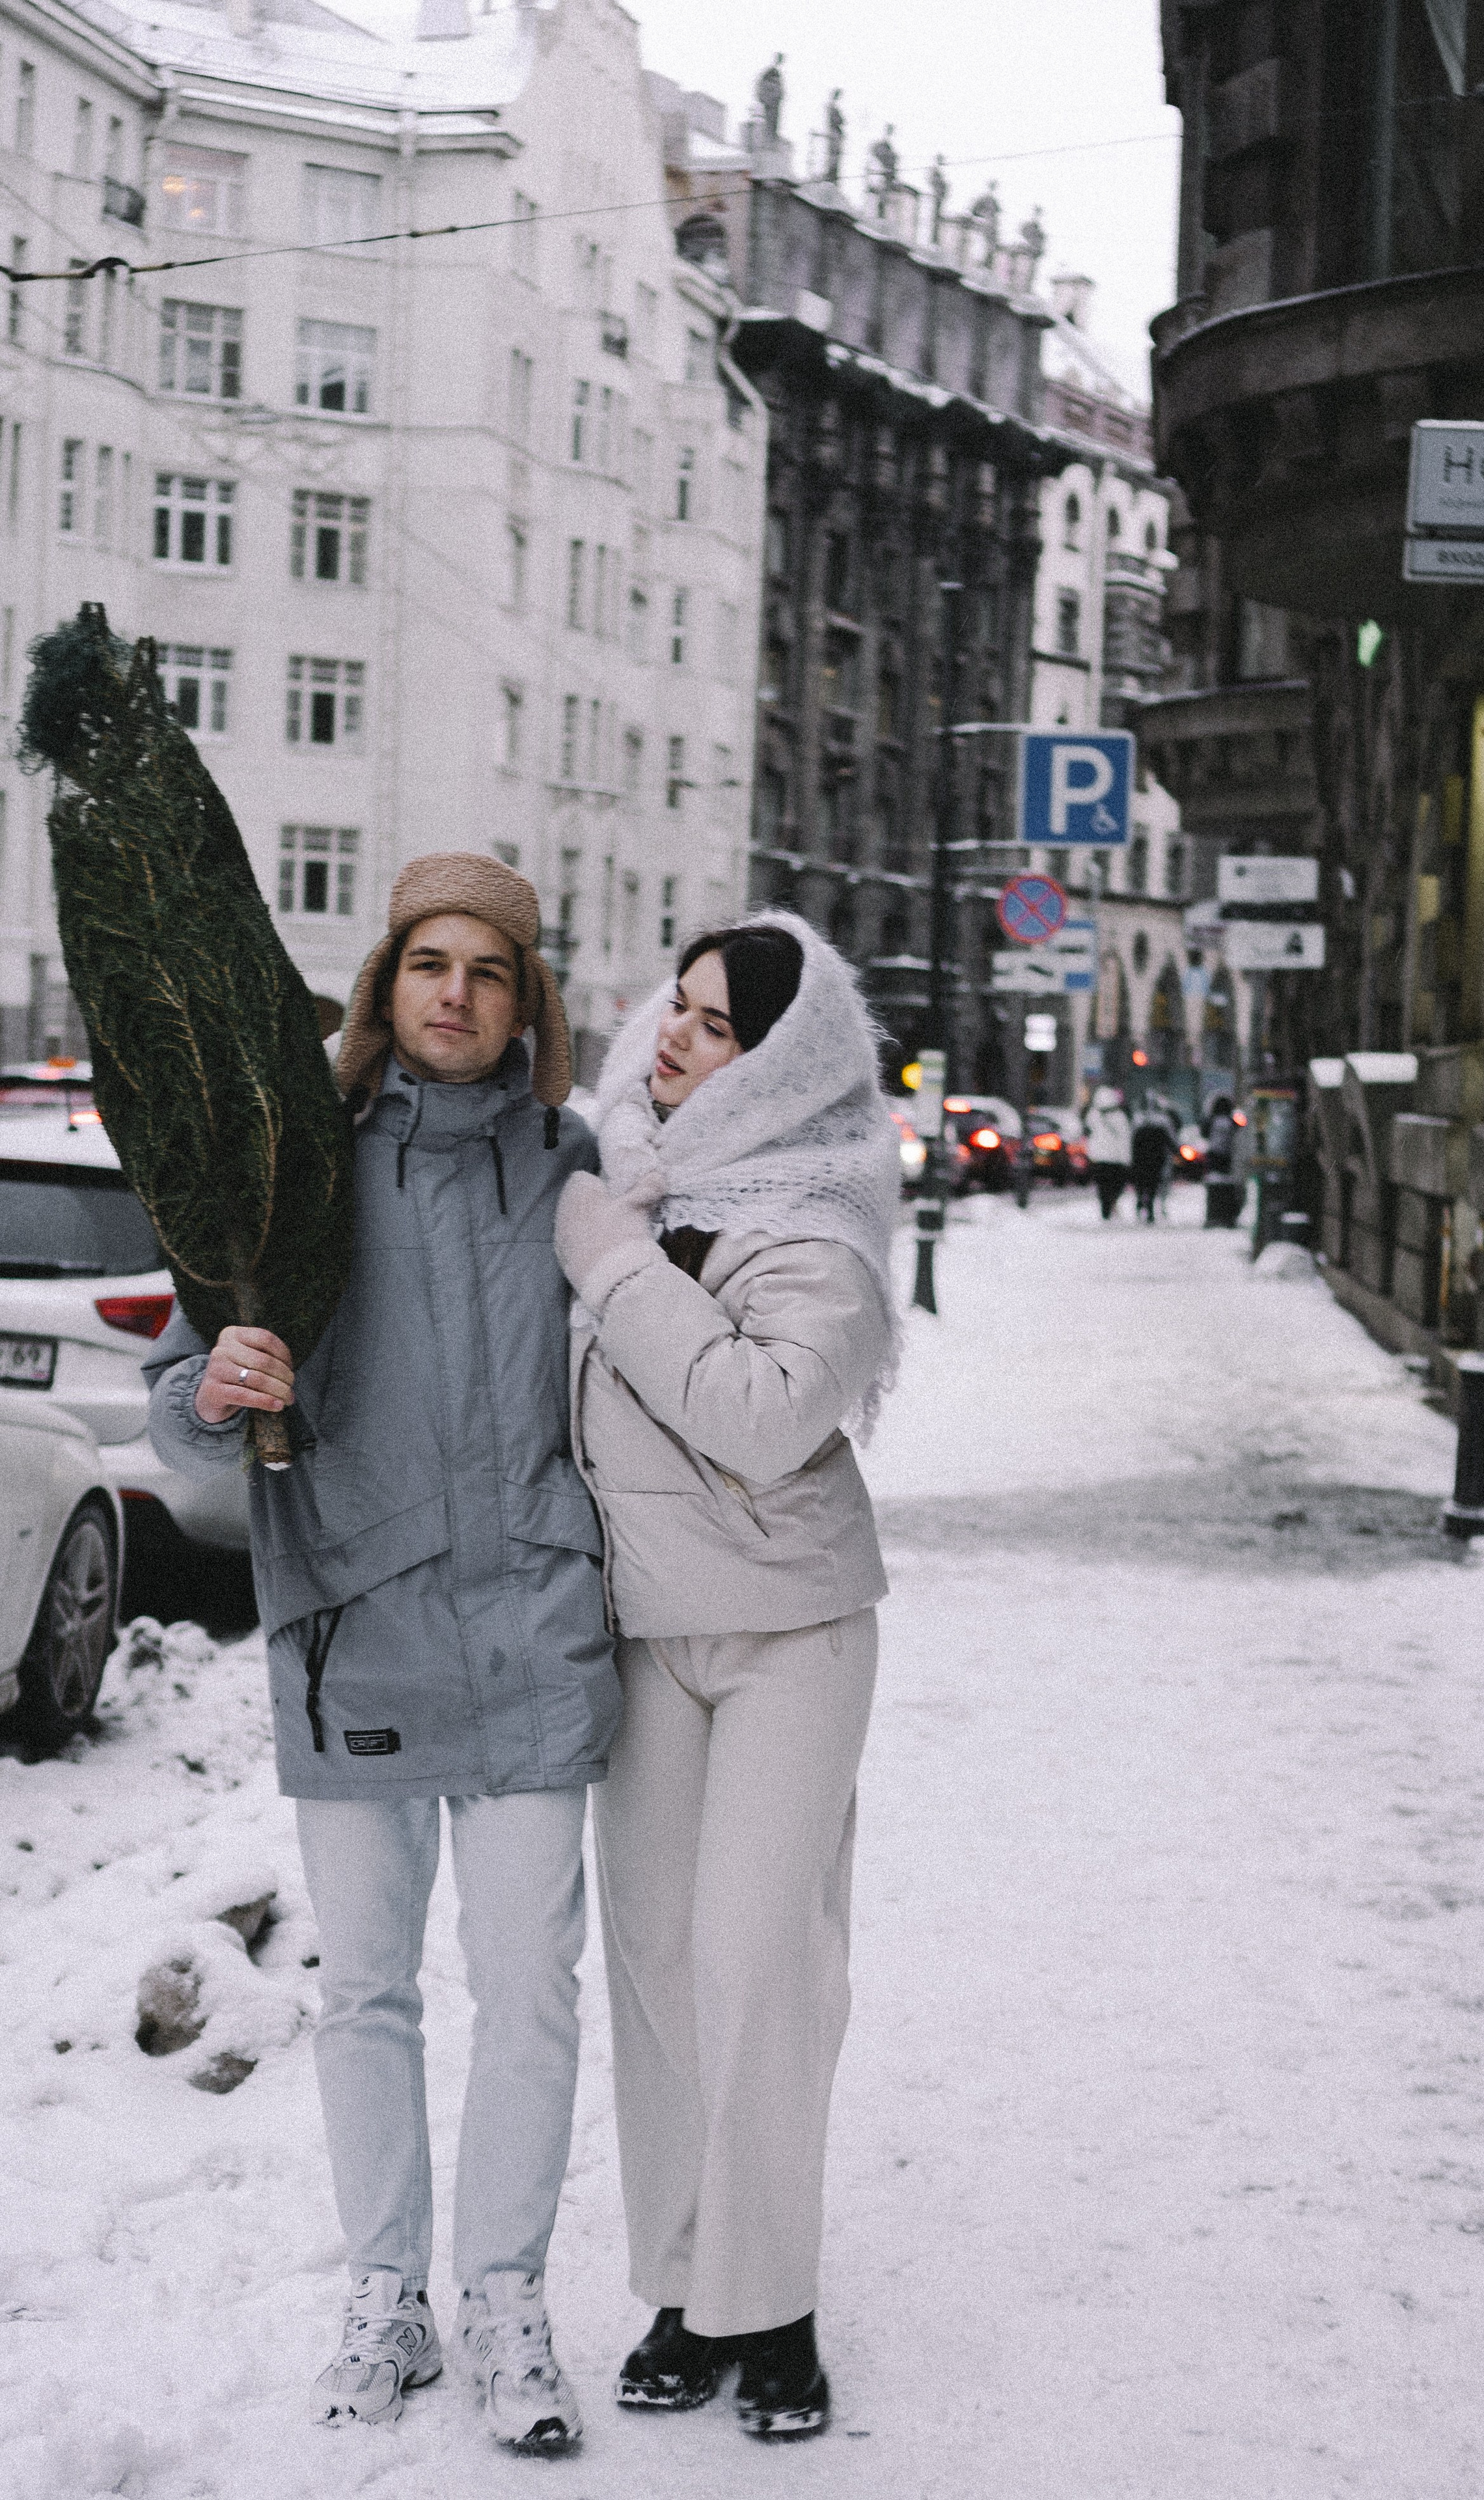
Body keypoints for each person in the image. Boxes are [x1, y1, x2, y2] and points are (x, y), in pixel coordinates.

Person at [143, 855, 616, 2457]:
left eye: (490, 970)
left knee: (531, 1991)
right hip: (352, 1629)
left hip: (536, 1634)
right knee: (366, 1991)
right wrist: (220, 1378)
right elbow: (177, 1400)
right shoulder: (295, 1163)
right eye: (430, 960)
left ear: (525, 1000)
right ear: (385, 981)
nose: (456, 993)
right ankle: (386, 2291)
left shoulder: (569, 1165)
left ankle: (501, 2294)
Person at [552, 913, 899, 2444]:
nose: (675, 1038)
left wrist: (616, 1264)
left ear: (789, 1060)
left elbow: (757, 1413)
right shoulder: (626, 1164)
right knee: (654, 1963)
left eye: (719, 1024)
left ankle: (777, 2306)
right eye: (675, 1008)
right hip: (639, 1624)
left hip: (786, 1630)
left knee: (760, 1964)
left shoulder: (820, 1217)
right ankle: (683, 2288)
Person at [1083, 1083, 1133, 1220]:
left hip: (1099, 1158)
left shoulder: (1093, 1115)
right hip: (1116, 1159)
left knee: (1103, 1186)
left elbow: (1089, 1133)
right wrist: (1127, 1157)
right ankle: (1112, 1205)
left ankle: (1106, 1209)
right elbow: (1125, 1138)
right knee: (1116, 1185)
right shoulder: (1120, 1116)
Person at [1130, 1096, 1176, 1223]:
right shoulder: (1162, 1122)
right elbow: (1170, 1141)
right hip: (1156, 1159)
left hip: (1142, 1159)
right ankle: (1148, 1208)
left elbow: (1132, 1140)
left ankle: (1142, 1204)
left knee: (1143, 1184)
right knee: (1152, 1184)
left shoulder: (1138, 1120)